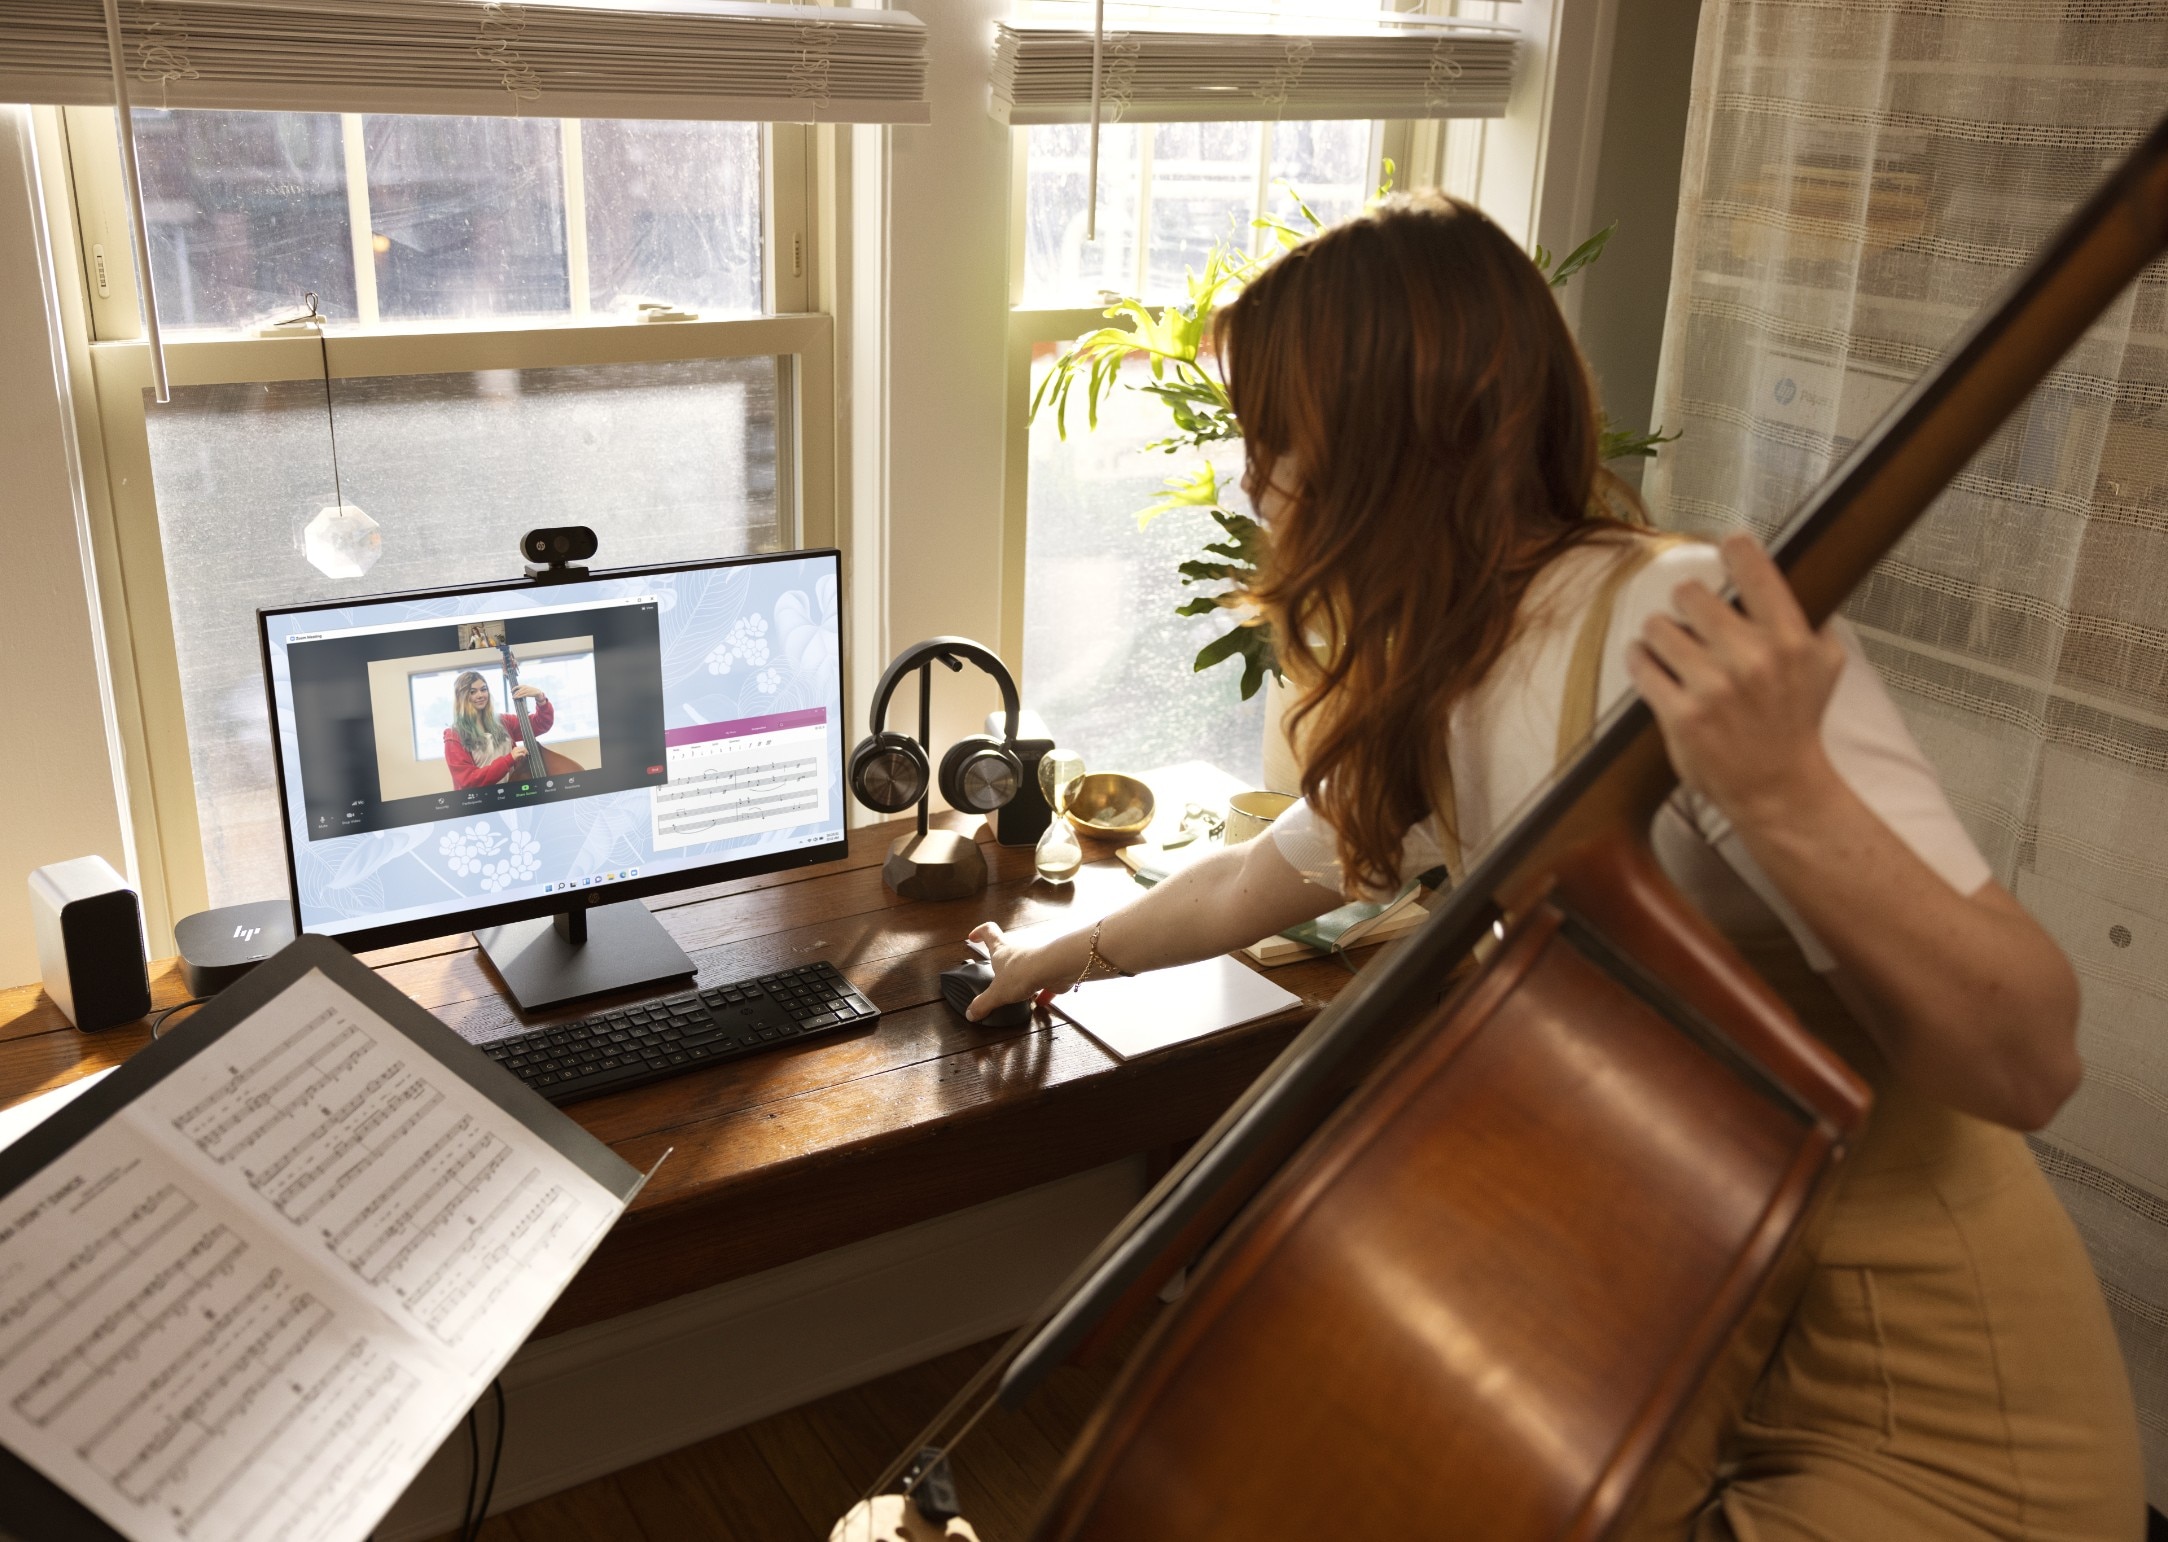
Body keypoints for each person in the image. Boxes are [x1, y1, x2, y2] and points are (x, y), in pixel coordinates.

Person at [966, 195, 2143, 1538]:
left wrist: (1785, 787)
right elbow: (1264, 876)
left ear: (1381, 438)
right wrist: (1054, 957)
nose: (1250, 481)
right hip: (1677, 1348)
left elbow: (2028, 1058)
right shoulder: (1453, 664)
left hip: (1918, 1393)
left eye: (1268, 436)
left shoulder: (1673, 619)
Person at [444, 668, 552, 788]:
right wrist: (508, 760)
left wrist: (540, 697)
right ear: (461, 697)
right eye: (472, 692)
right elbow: (468, 780)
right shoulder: (453, 735)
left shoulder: (503, 721)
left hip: (511, 791)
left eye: (483, 690)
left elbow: (541, 724)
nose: (480, 695)